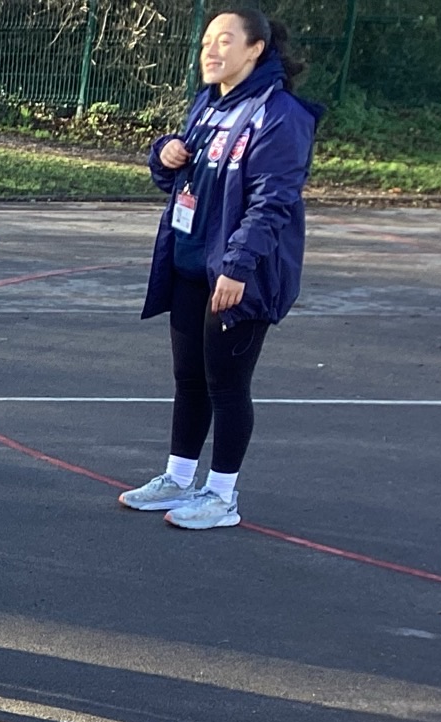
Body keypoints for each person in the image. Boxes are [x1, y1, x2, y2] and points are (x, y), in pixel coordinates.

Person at [120, 7, 322, 531]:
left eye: (225, 40)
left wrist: (236, 266)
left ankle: (222, 496)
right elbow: (185, 182)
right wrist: (163, 154)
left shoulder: (280, 115)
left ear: (256, 50)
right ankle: (178, 478)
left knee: (227, 385)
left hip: (240, 274)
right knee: (189, 379)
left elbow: (272, 202)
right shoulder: (208, 106)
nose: (211, 50)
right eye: (208, 40)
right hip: (191, 264)